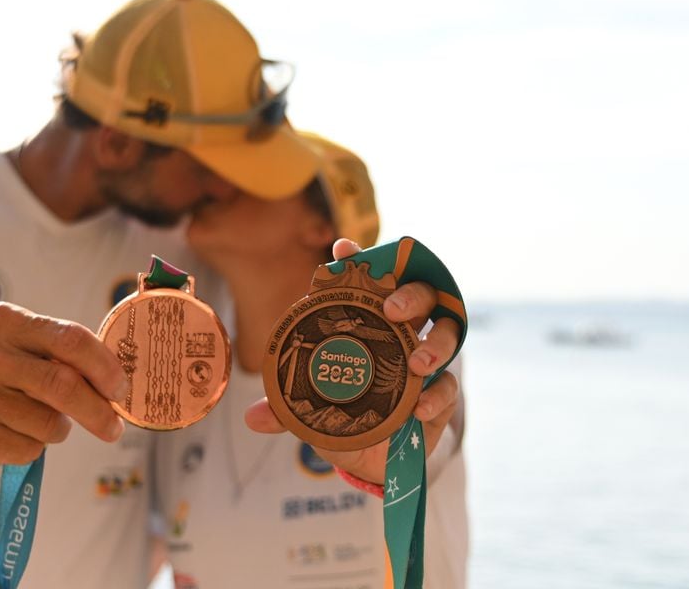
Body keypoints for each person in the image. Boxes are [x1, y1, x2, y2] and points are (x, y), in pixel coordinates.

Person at [0, 0, 463, 588]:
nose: (226, 186)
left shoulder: (191, 265)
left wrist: (405, 395)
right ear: (119, 146)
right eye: (213, 164)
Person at [157, 132, 468, 589]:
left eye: (252, 177)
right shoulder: (184, 384)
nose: (217, 185)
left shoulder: (408, 357)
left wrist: (394, 464)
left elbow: (439, 439)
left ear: (322, 228)